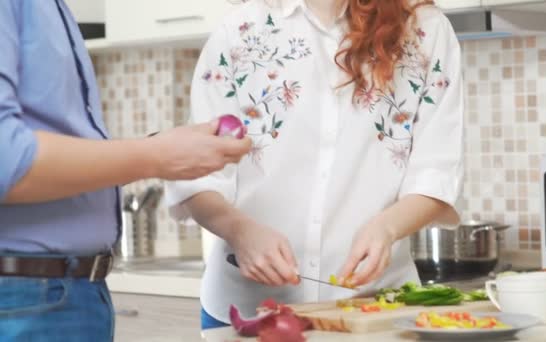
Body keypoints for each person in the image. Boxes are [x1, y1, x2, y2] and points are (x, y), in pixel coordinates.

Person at [166, 0, 463, 329]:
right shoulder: (239, 30)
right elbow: (197, 177)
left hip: (372, 313)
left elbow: (437, 171)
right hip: (248, 312)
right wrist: (240, 231)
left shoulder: (425, 30)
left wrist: (387, 228)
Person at [0, 0, 251, 340]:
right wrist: (155, 156)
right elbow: (7, 161)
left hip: (66, 292)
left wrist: (159, 149)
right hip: (27, 295)